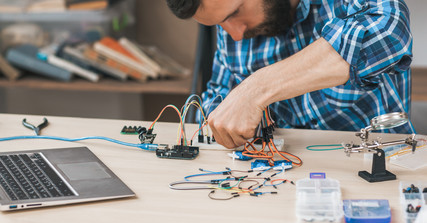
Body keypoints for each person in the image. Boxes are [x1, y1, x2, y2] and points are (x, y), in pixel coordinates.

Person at [166, 0, 414, 149]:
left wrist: (256, 89)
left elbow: (388, 31)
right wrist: (227, 118)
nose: (235, 35)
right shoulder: (235, 28)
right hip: (278, 176)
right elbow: (220, 95)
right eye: (220, 24)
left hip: (377, 162)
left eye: (233, 14)